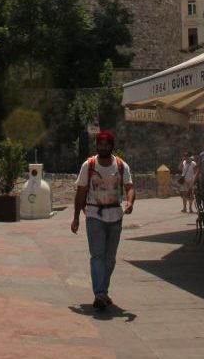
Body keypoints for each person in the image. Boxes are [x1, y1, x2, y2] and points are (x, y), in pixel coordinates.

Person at [71, 131, 135, 310]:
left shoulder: (121, 165)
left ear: (111, 145)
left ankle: (103, 291)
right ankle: (99, 293)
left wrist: (129, 202)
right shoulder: (89, 165)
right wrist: (76, 217)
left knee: (110, 259)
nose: (104, 147)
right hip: (94, 215)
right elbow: (81, 192)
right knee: (97, 255)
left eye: (107, 144)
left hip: (115, 215)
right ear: (97, 145)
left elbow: (130, 187)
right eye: (101, 144)